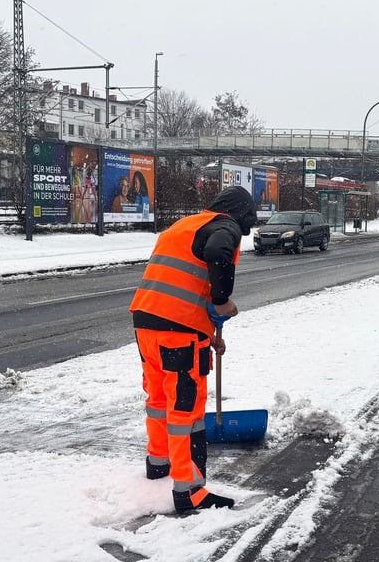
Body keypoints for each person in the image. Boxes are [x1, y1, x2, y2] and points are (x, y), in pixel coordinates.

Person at [129, 186, 257, 513]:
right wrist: (221, 300)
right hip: (179, 330)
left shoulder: (183, 226)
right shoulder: (224, 226)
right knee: (186, 407)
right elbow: (218, 251)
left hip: (146, 320)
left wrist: (209, 336)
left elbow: (182, 282)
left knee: (158, 395)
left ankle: (158, 462)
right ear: (240, 214)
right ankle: (189, 490)